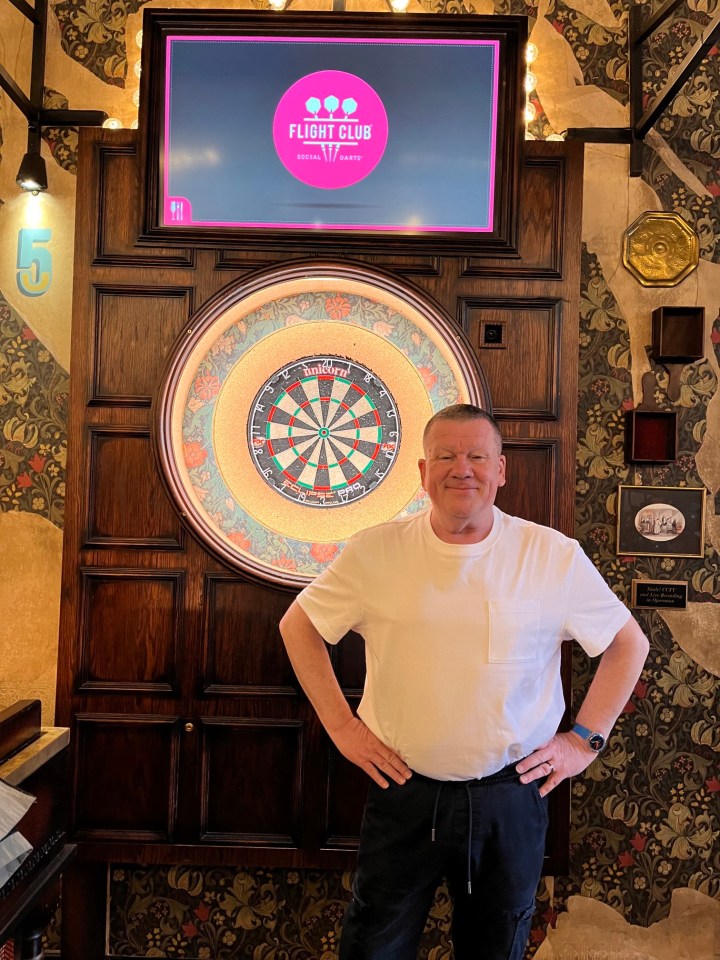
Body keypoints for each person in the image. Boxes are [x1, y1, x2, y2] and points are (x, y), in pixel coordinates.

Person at [279, 404, 649, 960]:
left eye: (477, 456)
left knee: (496, 948)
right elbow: (299, 626)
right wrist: (342, 728)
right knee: (374, 947)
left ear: (501, 470)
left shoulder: (550, 555)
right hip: (403, 793)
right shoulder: (375, 551)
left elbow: (629, 644)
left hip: (511, 795)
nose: (463, 469)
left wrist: (583, 741)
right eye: (447, 456)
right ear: (423, 471)